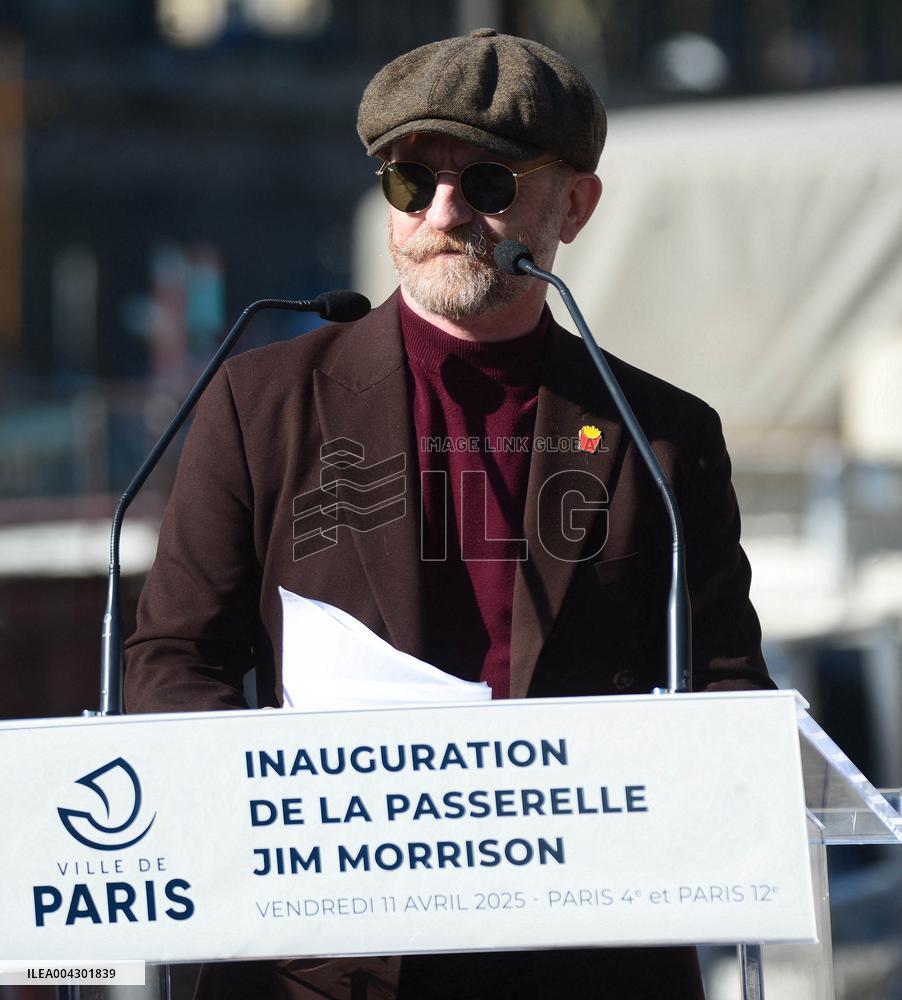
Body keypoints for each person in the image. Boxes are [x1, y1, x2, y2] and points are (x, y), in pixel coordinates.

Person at [125, 28, 772, 1000]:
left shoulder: (662, 433)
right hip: (325, 965)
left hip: (587, 963)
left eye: (488, 184)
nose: (443, 213)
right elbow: (175, 666)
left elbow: (723, 687)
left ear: (575, 204)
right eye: (408, 183)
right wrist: (281, 835)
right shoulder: (256, 403)